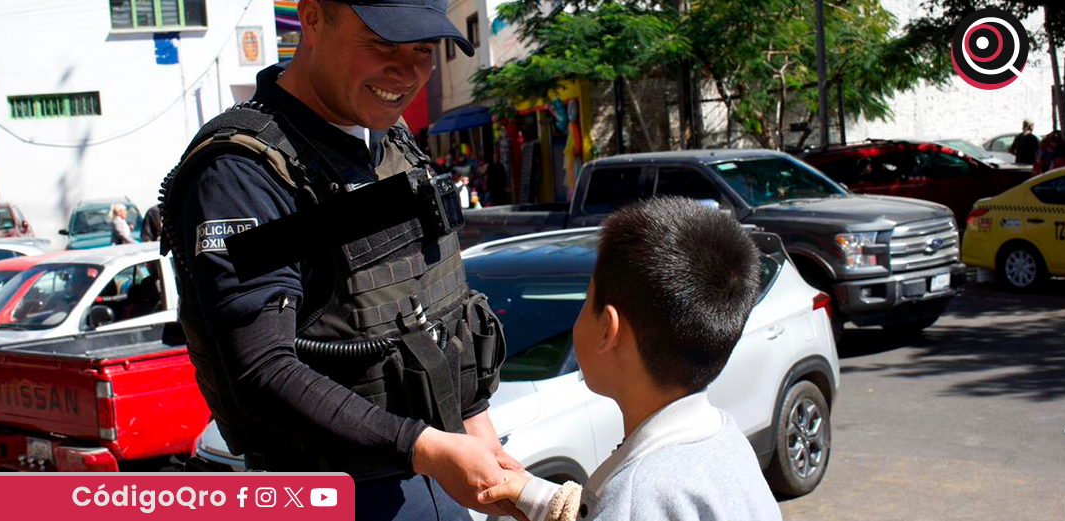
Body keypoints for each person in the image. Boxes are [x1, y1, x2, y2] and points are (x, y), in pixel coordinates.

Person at [156, 1, 522, 520]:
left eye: (423, 49)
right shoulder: (242, 174)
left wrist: (478, 432)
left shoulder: (386, 137)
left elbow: (431, 304)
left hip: (436, 479)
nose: (407, 72)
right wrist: (427, 449)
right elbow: (262, 369)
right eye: (383, 43)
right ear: (312, 19)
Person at [479, 197, 784, 521]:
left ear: (608, 330)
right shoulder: (726, 442)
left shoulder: (637, 497)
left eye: (587, 299)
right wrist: (532, 493)